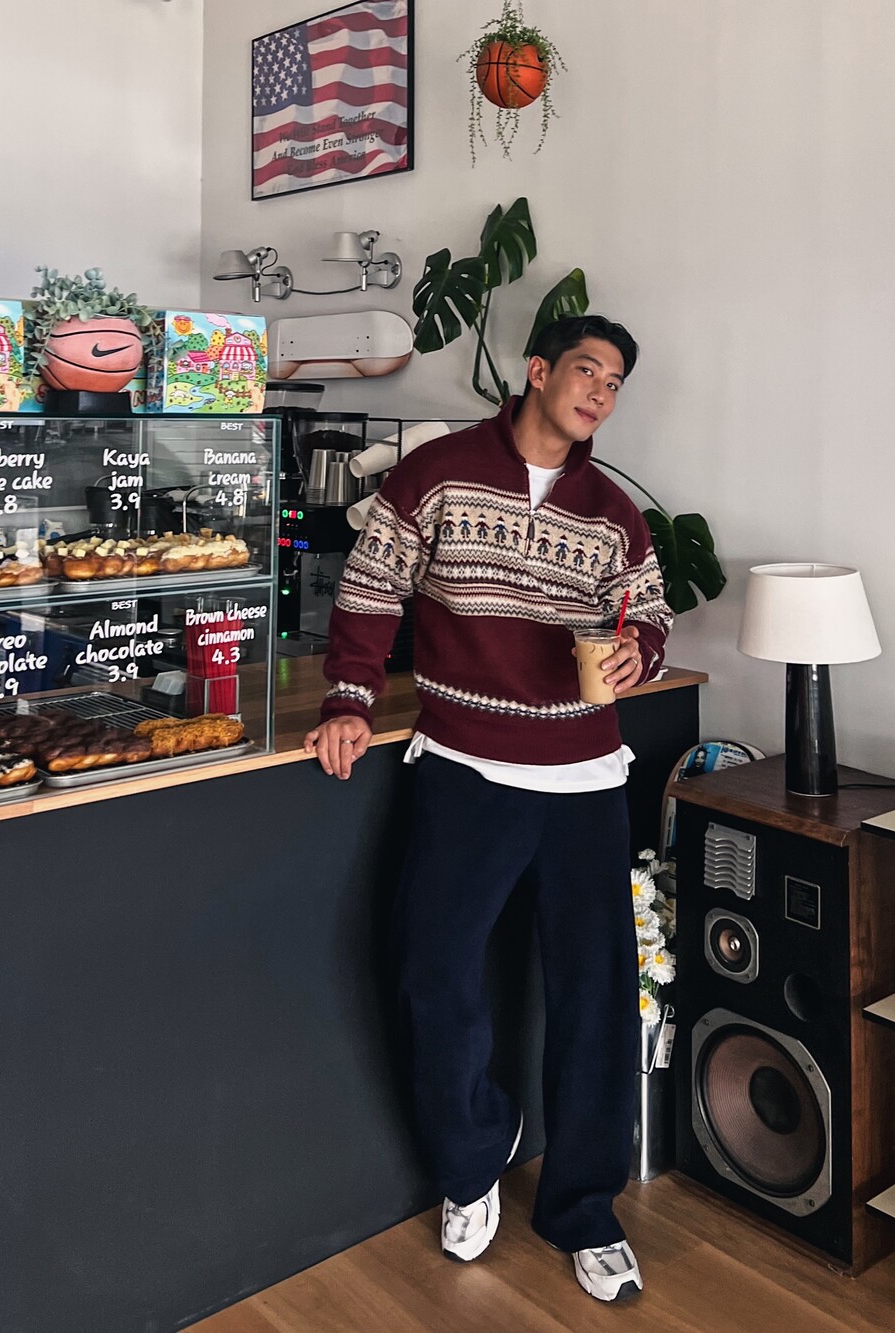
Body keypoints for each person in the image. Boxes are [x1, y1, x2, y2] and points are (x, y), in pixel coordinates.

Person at [303, 315, 672, 1303]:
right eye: (587, 370)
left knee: (595, 996)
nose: (601, 392)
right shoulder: (437, 474)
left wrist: (639, 653)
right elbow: (369, 590)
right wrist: (348, 698)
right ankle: (471, 1158)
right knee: (433, 971)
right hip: (465, 765)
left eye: (616, 382)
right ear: (538, 371)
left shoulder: (614, 513)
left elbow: (649, 613)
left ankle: (585, 1209)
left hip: (584, 778)